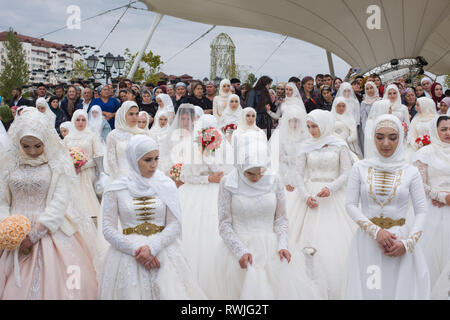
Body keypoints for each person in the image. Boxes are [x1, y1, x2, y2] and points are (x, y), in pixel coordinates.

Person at [208, 131, 325, 300]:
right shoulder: (228, 183)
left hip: (272, 248)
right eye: (250, 173)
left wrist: (283, 244)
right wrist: (240, 250)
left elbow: (281, 219)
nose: (256, 177)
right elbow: (224, 224)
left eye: (260, 172)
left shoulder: (274, 179)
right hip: (239, 249)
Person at [0, 108, 99, 299]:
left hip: (48, 229)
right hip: (13, 231)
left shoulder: (57, 165)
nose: (32, 151)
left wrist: (36, 233)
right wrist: (7, 227)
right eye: (26, 146)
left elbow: (59, 201)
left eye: (37, 146)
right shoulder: (9, 164)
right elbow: (2, 200)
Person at [98, 134, 205, 299]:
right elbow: (107, 228)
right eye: (147, 160)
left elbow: (175, 223)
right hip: (127, 255)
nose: (154, 165)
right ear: (134, 159)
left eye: (156, 158)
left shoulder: (166, 185)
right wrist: (137, 251)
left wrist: (153, 248)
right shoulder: (115, 188)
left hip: (163, 252)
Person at [344, 114, 430, 299]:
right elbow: (350, 204)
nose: (385, 144)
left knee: (397, 290)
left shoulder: (411, 171)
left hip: (399, 241)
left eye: (392, 137)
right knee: (371, 289)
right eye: (379, 136)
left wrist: (408, 244)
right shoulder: (360, 167)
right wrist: (376, 232)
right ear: (372, 137)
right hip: (368, 241)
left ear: (400, 138)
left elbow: (422, 211)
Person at [289, 109, 356, 299]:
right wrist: (304, 196)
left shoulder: (339, 145)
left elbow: (346, 172)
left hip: (333, 194)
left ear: (325, 124)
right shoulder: (305, 145)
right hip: (309, 195)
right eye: (309, 126)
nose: (311, 130)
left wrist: (331, 188)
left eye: (315, 126)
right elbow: (298, 175)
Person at [178, 115, 233, 296]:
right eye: (205, 129)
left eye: (212, 129)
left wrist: (221, 176)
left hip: (219, 192)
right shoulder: (192, 148)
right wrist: (207, 178)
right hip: (195, 194)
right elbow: (185, 177)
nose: (209, 133)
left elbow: (232, 171)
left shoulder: (225, 147)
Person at [413, 115, 450, 298]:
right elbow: (419, 182)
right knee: (433, 256)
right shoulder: (426, 152)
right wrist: (441, 196)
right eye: (443, 129)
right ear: (435, 131)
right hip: (434, 208)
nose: (448, 133)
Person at [64, 109, 104, 224]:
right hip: (72, 172)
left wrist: (83, 165)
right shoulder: (68, 138)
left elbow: (98, 155)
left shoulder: (92, 136)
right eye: (78, 120)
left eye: (83, 120)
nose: (80, 122)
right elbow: (63, 155)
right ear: (73, 121)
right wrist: (72, 164)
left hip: (88, 170)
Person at [105, 101, 148, 180]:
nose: (135, 117)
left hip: (140, 177)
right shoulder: (113, 135)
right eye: (131, 114)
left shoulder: (143, 134)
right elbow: (111, 160)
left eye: (137, 114)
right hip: (120, 177)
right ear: (123, 115)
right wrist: (121, 178)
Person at [359, 81, 381, 153]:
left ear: (375, 88)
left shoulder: (381, 100)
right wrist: (366, 132)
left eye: (371, 88)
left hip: (381, 126)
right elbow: (364, 119)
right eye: (367, 89)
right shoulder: (364, 103)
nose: (369, 90)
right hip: (370, 129)